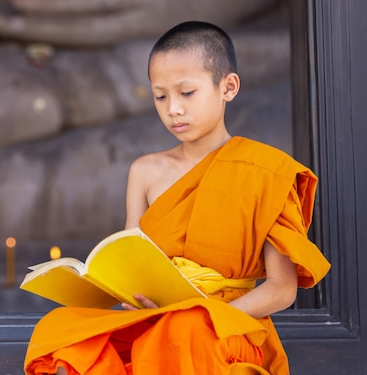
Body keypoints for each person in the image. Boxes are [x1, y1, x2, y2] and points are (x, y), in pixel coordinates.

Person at [23, 21, 331, 375]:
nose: (173, 110)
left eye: (187, 93)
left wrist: (207, 314)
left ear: (228, 87)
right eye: (161, 96)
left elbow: (281, 290)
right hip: (157, 315)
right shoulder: (145, 171)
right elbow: (127, 261)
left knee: (183, 330)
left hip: (225, 324)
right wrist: (127, 296)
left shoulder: (266, 172)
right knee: (61, 328)